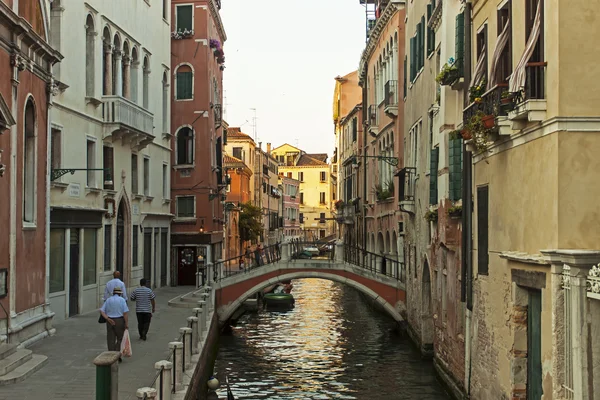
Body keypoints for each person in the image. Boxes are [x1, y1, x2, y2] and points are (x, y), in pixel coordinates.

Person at [99, 287, 129, 362]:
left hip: (110, 320)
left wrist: (107, 318)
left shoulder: (108, 300)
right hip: (119, 320)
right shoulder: (122, 300)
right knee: (120, 338)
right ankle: (117, 353)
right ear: (119, 293)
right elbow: (125, 313)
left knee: (110, 338)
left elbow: (102, 311)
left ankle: (111, 354)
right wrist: (126, 323)